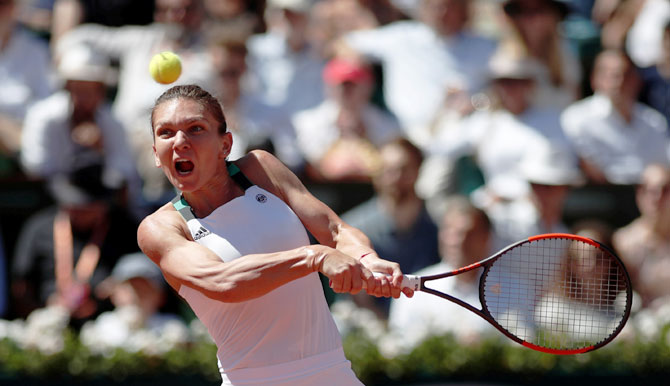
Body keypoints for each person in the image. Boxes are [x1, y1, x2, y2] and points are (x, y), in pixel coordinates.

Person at [137, 84, 413, 385]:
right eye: (166, 133)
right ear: (155, 153)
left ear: (225, 145)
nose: (180, 142)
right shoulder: (159, 228)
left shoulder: (261, 169)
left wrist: (365, 258)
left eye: (195, 128)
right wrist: (315, 257)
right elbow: (223, 281)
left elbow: (335, 230)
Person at [337, 0, 497, 147]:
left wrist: (476, 102)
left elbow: (502, 86)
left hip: (460, 137)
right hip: (401, 136)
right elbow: (345, 44)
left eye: (449, 6)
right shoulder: (403, 36)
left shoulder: (485, 45)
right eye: (436, 6)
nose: (442, 12)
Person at [10, 163, 140, 323]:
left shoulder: (125, 229)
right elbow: (21, 285)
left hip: (108, 323)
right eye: (74, 204)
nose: (80, 212)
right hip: (48, 319)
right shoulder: (39, 227)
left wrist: (113, 289)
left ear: (102, 206)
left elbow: (144, 280)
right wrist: (39, 313)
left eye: (87, 207)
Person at [341, 137, 439, 320]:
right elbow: (357, 298)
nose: (395, 178)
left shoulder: (442, 224)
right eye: (387, 170)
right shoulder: (353, 229)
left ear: (419, 171)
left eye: (404, 170)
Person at [387, 195, 497, 350]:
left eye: (469, 232)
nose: (458, 241)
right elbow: (398, 349)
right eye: (451, 232)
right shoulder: (412, 292)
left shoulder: (513, 288)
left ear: (486, 238)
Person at [561, 49, 670, 185]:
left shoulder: (654, 121)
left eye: (625, 75)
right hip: (601, 199)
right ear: (594, 79)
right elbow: (591, 170)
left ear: (637, 80)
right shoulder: (576, 119)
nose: (619, 82)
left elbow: (662, 165)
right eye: (612, 76)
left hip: (650, 197)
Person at [292, 58, 402, 183]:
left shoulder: (388, 124)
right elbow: (310, 161)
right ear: (329, 87)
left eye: (353, 85)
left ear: (368, 87)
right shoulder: (305, 122)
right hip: (324, 190)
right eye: (341, 85)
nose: (346, 91)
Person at [612, 163, 670, 310]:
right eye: (649, 190)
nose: (657, 197)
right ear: (639, 194)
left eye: (665, 190)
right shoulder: (621, 242)